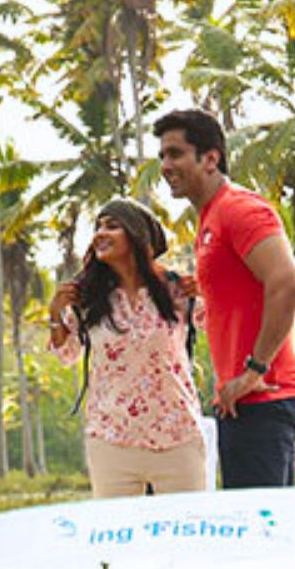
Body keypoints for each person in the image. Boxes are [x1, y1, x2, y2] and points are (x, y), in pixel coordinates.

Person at [153, 108, 295, 488]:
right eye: (162, 156)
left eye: (175, 153)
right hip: (244, 401)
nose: (165, 165)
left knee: (262, 537)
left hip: (264, 395)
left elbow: (288, 282)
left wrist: (254, 370)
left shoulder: (239, 209)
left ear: (210, 158)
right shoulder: (210, 219)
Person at [47, 198, 207, 498]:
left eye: (112, 225)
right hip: (112, 439)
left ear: (138, 235)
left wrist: (207, 290)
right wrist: (56, 313)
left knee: (183, 539)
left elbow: (220, 322)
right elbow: (66, 354)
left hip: (177, 436)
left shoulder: (176, 289)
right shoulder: (88, 298)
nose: (99, 234)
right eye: (98, 227)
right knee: (114, 541)